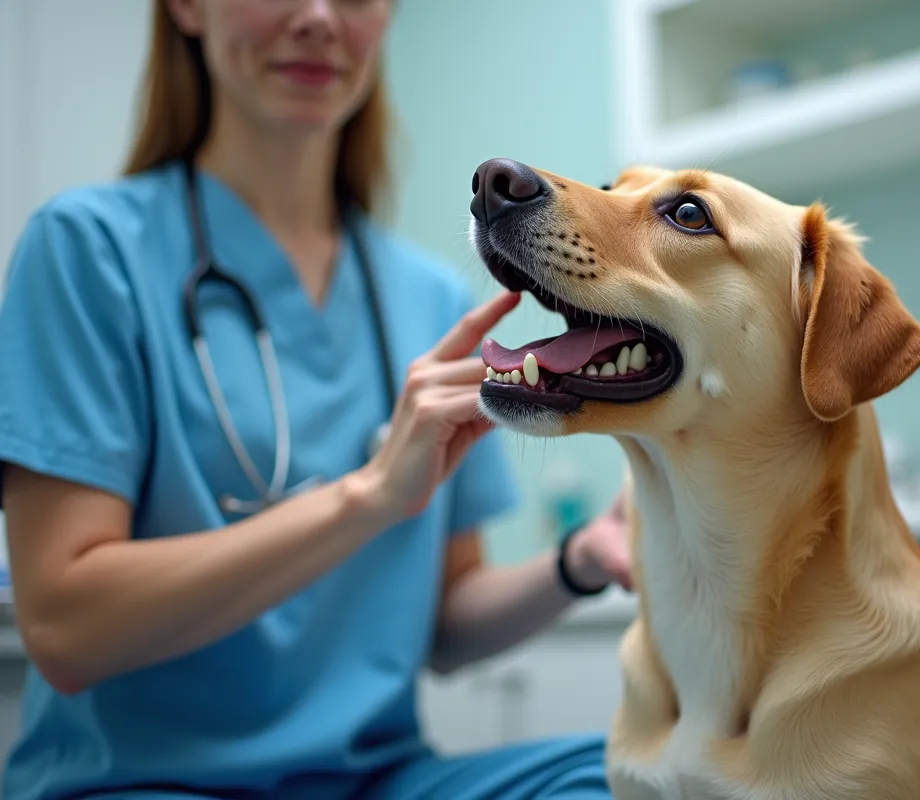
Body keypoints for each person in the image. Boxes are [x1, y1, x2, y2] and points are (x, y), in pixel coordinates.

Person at [0, 1, 633, 798]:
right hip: (143, 781)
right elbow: (63, 628)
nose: (320, 18)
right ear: (188, 9)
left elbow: (445, 621)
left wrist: (581, 561)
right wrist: (365, 498)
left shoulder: (429, 294)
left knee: (639, 778)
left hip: (379, 780)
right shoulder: (88, 251)